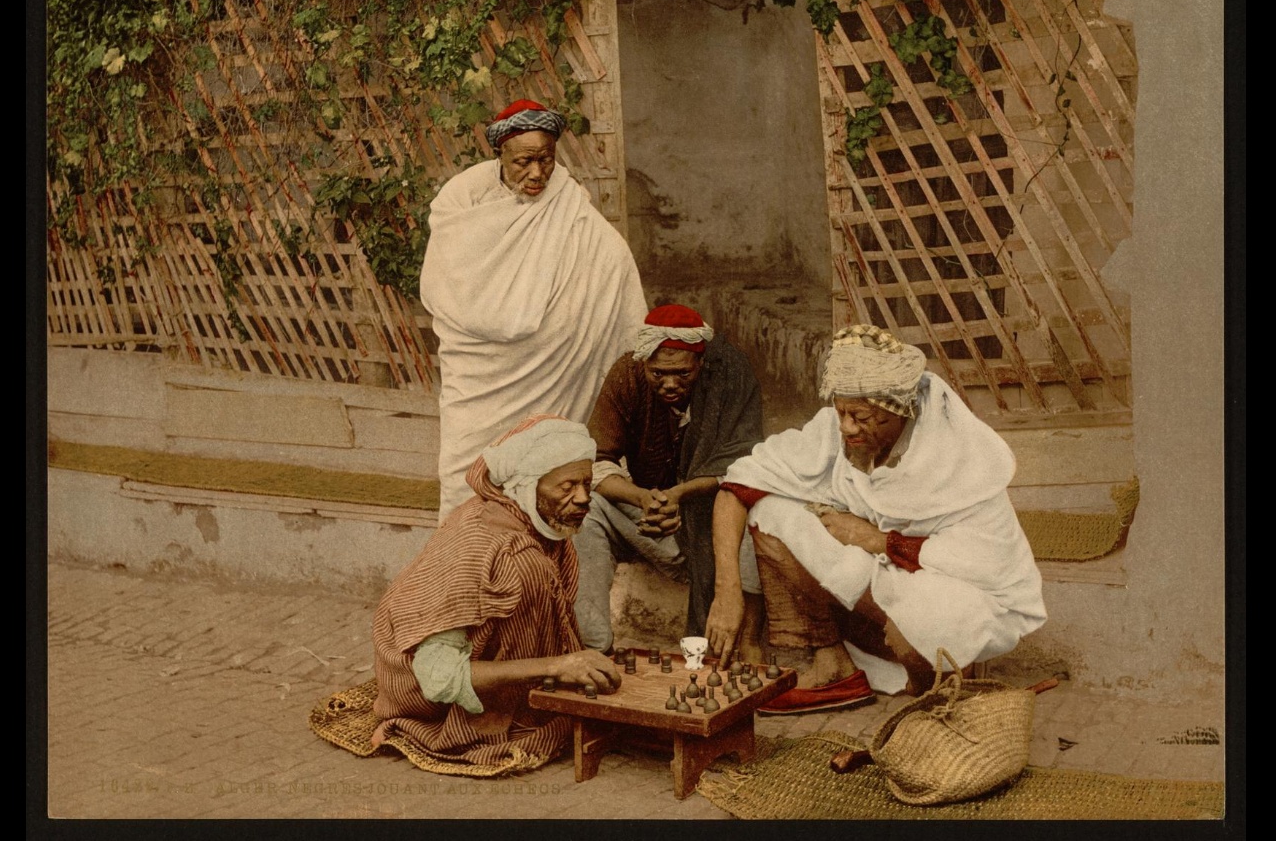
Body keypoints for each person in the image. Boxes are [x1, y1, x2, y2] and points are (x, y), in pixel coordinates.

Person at [705, 324, 1046, 715]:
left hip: (962, 590)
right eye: (841, 412)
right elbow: (738, 486)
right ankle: (833, 663)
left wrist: (876, 539)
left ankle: (942, 692)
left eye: (861, 417)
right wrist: (727, 590)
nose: (847, 426)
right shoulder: (839, 429)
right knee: (771, 512)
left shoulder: (955, 453)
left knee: (915, 624)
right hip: (882, 572)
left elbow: (982, 562)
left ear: (899, 409)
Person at [420, 99, 648, 520]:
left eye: (546, 160)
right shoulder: (463, 199)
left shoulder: (567, 205)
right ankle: (464, 570)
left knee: (546, 476)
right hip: (479, 377)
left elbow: (611, 260)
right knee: (465, 477)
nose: (537, 173)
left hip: (552, 378)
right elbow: (446, 285)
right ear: (500, 154)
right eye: (524, 161)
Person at [371, 414, 623, 771]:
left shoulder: (539, 528)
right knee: (527, 569)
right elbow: (438, 681)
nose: (583, 498)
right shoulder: (485, 545)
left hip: (470, 663)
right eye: (566, 487)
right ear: (525, 486)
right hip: (422, 688)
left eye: (586, 483)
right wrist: (556, 665)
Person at [572, 304, 766, 655]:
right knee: (589, 509)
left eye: (682, 374)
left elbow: (742, 466)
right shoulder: (627, 375)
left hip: (715, 529)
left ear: (701, 364)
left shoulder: (730, 375)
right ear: (643, 363)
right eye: (659, 374)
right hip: (655, 521)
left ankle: (747, 644)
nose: (670, 384)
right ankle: (594, 647)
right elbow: (597, 463)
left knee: (760, 506)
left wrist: (680, 494)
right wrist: (644, 499)